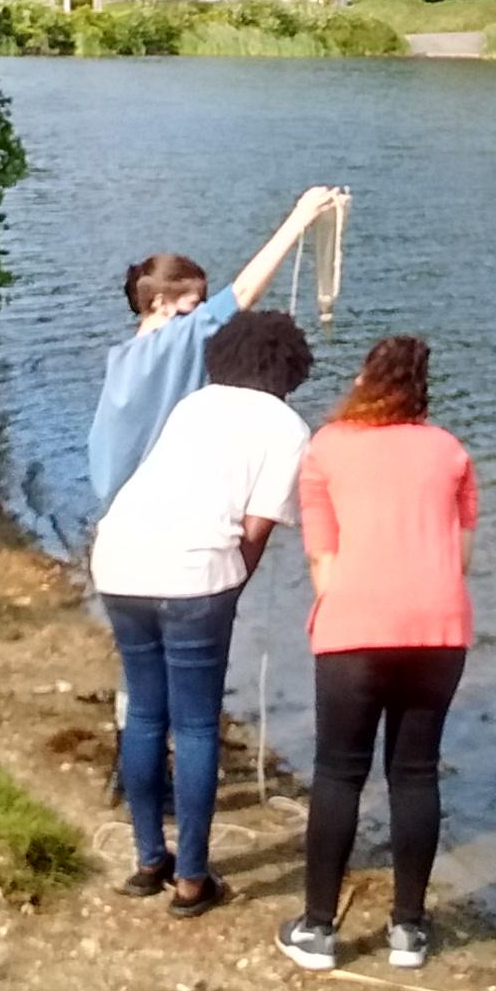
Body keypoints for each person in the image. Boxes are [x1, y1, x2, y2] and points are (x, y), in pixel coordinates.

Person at [93, 308, 315, 918]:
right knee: (194, 726)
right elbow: (255, 527)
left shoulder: (194, 404)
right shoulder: (288, 426)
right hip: (195, 574)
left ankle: (146, 861)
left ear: (222, 357)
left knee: (144, 712)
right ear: (291, 370)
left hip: (117, 558)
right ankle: (191, 878)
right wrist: (231, 585)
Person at [279, 335, 476, 975]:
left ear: (365, 379)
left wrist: (352, 610)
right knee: (415, 773)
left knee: (339, 773)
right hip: (439, 630)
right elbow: (461, 558)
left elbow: (322, 559)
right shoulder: (451, 452)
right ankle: (409, 932)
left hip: (355, 629)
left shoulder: (327, 448)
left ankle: (316, 931)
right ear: (423, 391)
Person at [88, 186, 341, 506]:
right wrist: (299, 218)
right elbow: (245, 291)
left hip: (115, 509)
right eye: (194, 306)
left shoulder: (120, 359)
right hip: (156, 508)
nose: (203, 317)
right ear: (160, 303)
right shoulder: (176, 342)